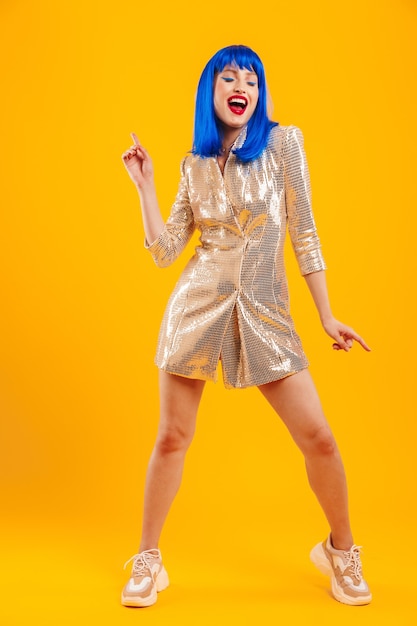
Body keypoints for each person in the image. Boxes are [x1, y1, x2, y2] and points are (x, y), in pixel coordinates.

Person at [120, 44, 372, 608]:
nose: (243, 88)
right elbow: (165, 254)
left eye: (252, 81)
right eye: (230, 78)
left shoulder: (284, 144)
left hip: (266, 313)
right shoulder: (195, 165)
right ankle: (147, 558)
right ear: (211, 91)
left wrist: (326, 315)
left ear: (259, 95)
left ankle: (341, 550)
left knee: (320, 439)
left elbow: (304, 232)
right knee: (171, 438)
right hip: (195, 309)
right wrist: (146, 186)